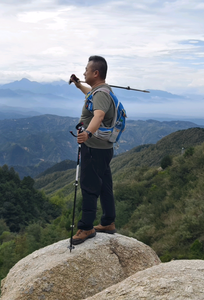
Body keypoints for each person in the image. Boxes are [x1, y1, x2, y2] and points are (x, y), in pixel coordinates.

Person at [70, 55, 116, 245]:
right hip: (104, 148)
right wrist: (78, 84)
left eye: (86, 70)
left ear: (95, 73)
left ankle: (86, 227)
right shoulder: (100, 92)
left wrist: (87, 133)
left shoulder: (101, 94)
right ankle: (108, 222)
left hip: (94, 148)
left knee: (89, 187)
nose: (83, 72)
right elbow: (91, 96)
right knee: (105, 185)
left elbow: (99, 115)